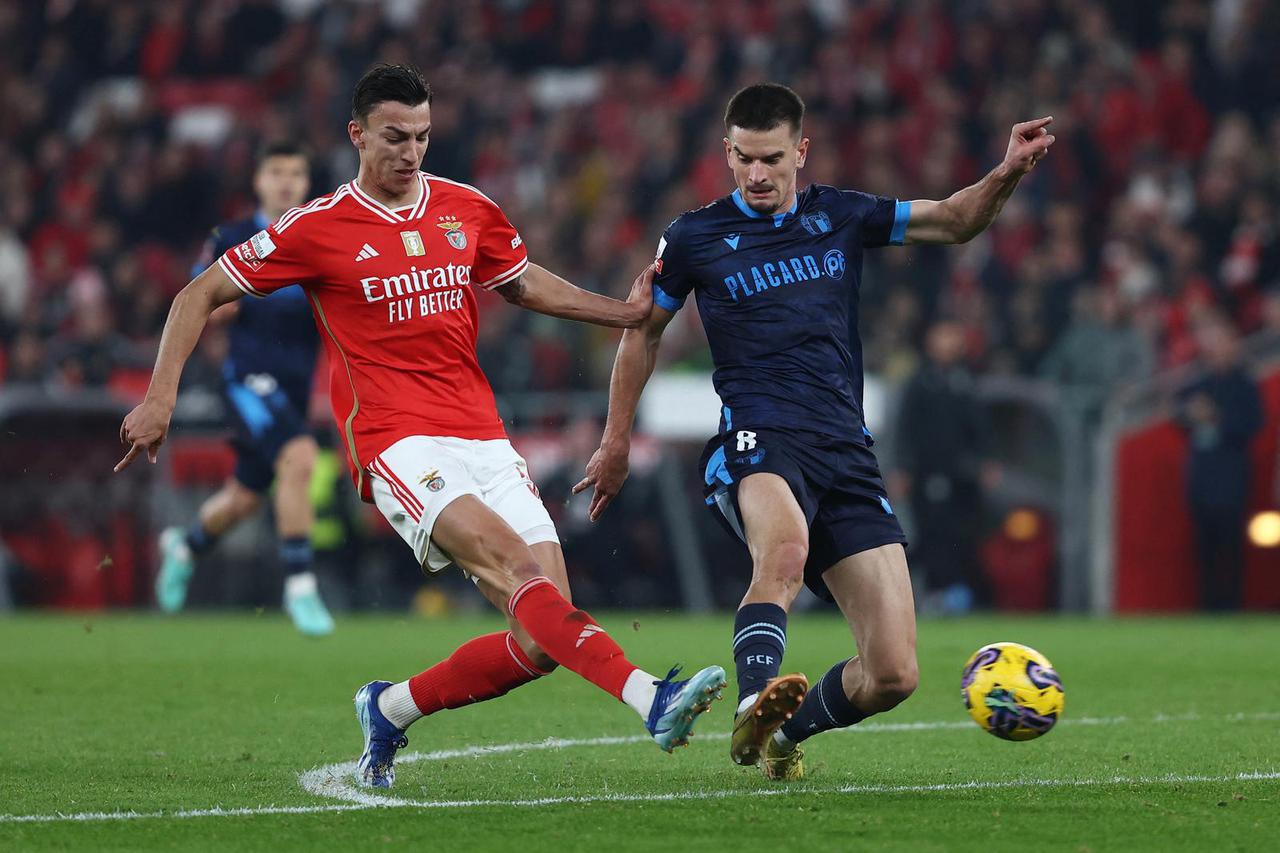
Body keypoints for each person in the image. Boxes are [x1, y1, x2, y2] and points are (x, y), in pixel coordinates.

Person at [115, 64, 725, 789]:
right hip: (397, 442)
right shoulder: (317, 227)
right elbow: (199, 292)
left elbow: (523, 282)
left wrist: (622, 313)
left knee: (540, 636)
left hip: (483, 435)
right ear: (358, 135)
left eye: (424, 137)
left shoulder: (465, 207)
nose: (411, 152)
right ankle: (651, 696)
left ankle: (390, 706)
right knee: (521, 571)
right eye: (396, 137)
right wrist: (160, 397)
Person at [576, 83, 1053, 780]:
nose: (757, 174)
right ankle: (751, 701)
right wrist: (616, 438)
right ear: (727, 153)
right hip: (758, 435)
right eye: (743, 159)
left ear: (800, 151)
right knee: (785, 553)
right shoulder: (694, 236)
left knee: (893, 671)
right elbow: (642, 332)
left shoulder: (841, 214)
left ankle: (782, 731)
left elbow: (953, 220)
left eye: (771, 158)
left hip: (845, 448)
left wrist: (1007, 169)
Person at [154, 141, 335, 636]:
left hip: (295, 385)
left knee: (245, 497)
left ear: (305, 183)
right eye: (275, 171)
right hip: (246, 380)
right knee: (300, 458)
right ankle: (300, 587)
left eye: (295, 173)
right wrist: (224, 302)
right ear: (258, 180)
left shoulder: (320, 237)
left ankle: (184, 546)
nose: (285, 182)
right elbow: (201, 298)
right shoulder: (230, 236)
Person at [890, 318, 993, 614]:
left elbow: (979, 427)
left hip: (962, 475)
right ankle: (933, 593)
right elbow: (905, 429)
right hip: (926, 473)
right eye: (942, 335)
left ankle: (954, 592)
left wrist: (985, 462)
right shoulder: (919, 382)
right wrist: (903, 468)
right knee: (930, 533)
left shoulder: (965, 380)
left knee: (959, 533)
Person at [1176, 316, 1262, 611]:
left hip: (1231, 477)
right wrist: (1190, 414)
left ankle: (1232, 606)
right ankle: (1207, 606)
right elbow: (1178, 414)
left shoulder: (1244, 385)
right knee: (1203, 547)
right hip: (1201, 476)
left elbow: (1253, 425)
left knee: (1231, 547)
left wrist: (1216, 418)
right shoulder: (1199, 382)